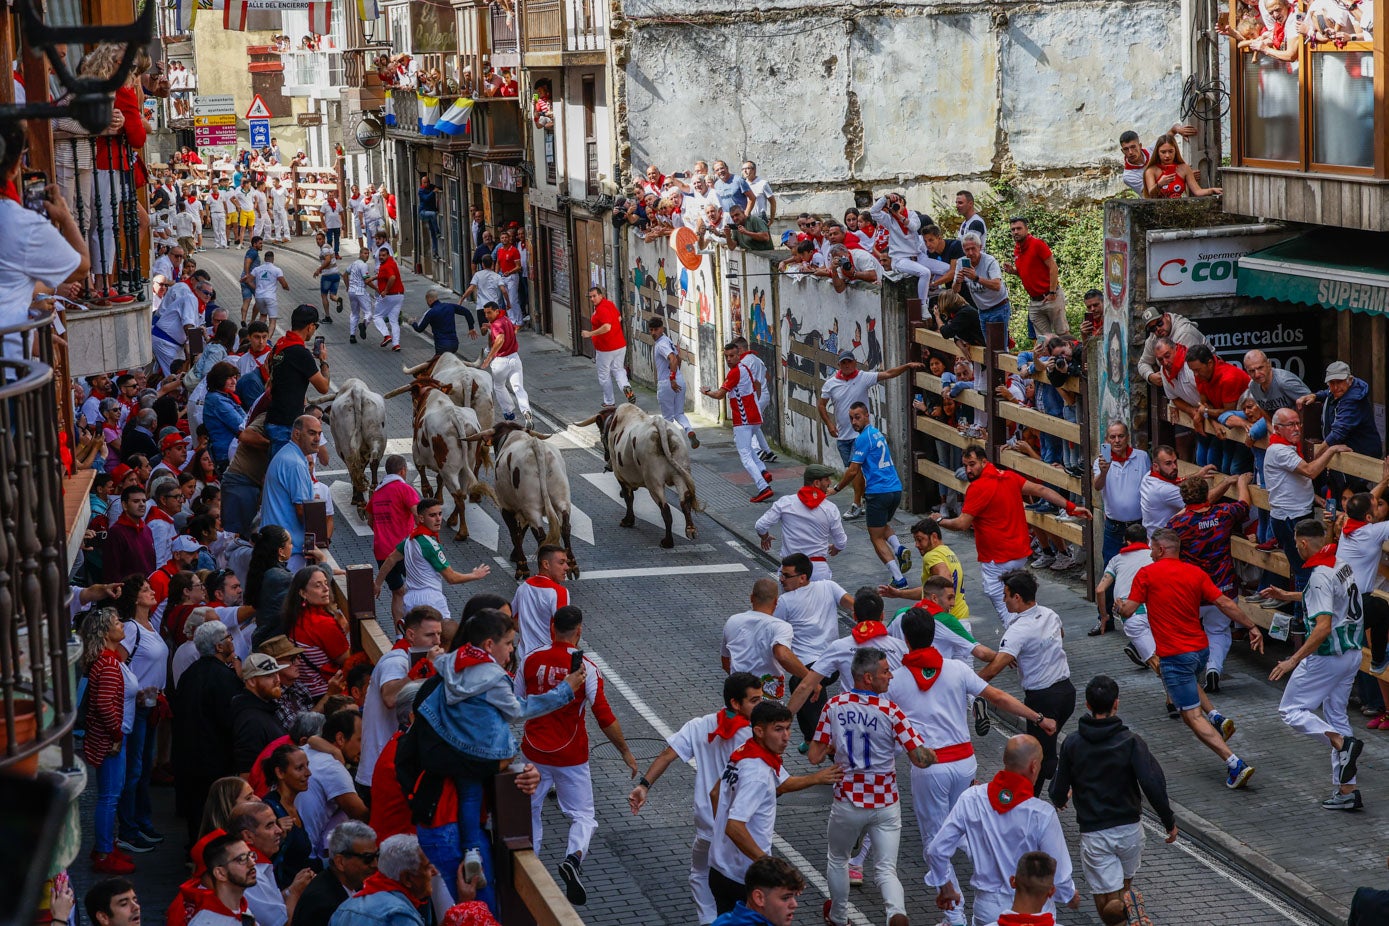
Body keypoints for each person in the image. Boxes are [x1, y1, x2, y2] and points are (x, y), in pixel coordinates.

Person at [888, 608, 1049, 926]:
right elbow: (999, 697)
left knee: (935, 839)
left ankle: (954, 913)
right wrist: (1038, 718)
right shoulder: (957, 669)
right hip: (963, 763)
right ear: (934, 634)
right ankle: (1001, 881)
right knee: (964, 827)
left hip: (930, 767)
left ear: (905, 639)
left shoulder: (894, 680)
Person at [1116, 528, 1263, 788]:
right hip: (1200, 651)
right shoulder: (1195, 573)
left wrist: (1119, 605)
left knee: (1191, 717)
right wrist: (1251, 626)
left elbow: (1129, 610)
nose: (1149, 553)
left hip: (1174, 655)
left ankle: (1235, 763)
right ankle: (1216, 717)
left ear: (1161, 550)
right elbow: (1225, 604)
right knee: (1188, 684)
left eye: (1152, 548)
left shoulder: (1147, 574)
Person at [521, 605, 639, 905]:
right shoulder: (586, 668)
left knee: (529, 810)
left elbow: (518, 701)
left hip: (533, 750)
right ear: (579, 630)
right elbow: (603, 715)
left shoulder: (530, 659)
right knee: (583, 816)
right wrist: (625, 751)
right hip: (571, 755)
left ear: (552, 627)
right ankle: (572, 859)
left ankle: (529, 868)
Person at [628, 673, 765, 925]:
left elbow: (667, 755)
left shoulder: (699, 725)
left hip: (705, 825)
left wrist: (644, 785)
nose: (761, 705)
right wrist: (817, 778)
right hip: (737, 826)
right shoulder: (755, 736)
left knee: (699, 874)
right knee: (747, 884)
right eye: (755, 700)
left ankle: (707, 919)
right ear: (736, 703)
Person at [810, 648, 933, 926]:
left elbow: (814, 755)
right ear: (868, 678)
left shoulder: (834, 706)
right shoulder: (891, 711)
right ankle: (895, 913)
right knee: (886, 869)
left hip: (847, 800)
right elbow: (919, 757)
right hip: (886, 802)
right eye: (886, 672)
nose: (890, 676)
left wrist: (836, 747)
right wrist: (933, 754)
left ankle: (839, 918)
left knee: (838, 859)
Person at [1051, 675, 1177, 925]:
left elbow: (1057, 788)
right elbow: (1152, 783)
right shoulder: (1131, 742)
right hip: (1130, 830)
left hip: (1095, 833)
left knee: (1106, 905)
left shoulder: (1072, 743)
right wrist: (1168, 821)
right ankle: (1131, 910)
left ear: (1087, 704)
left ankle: (1128, 914)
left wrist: (1061, 796)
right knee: (1123, 891)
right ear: (1116, 704)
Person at [1263, 518, 1366, 811]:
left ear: (1304, 543)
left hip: (1326, 656)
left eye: (1296, 543)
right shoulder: (1340, 561)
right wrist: (1289, 595)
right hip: (1351, 654)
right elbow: (1330, 599)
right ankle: (1347, 790)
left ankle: (1340, 743)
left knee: (1291, 710)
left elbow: (1322, 626)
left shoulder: (1319, 574)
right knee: (1336, 714)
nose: (1296, 548)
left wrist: (1293, 660)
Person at [927, 735, 1078, 926]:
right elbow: (1059, 872)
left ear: (1005, 760)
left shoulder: (971, 798)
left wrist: (945, 885)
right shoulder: (1042, 814)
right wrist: (1069, 895)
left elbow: (936, 850)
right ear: (1034, 766)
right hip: (1035, 909)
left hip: (987, 909)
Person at [707, 700, 840, 915]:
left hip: (719, 866)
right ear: (759, 730)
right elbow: (734, 826)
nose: (786, 736)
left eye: (788, 728)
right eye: (778, 729)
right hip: (746, 876)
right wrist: (770, 866)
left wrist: (815, 778)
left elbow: (715, 794)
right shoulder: (758, 774)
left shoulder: (745, 752)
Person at [934, 446, 1092, 625]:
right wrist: (1071, 507)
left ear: (984, 462)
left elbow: (961, 524)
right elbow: (1040, 490)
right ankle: (1040, 628)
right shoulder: (1008, 476)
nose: (969, 470)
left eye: (972, 464)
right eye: (965, 465)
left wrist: (939, 520)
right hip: (1019, 555)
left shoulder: (977, 488)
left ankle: (1021, 640)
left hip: (996, 558)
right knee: (1020, 599)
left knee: (1006, 609)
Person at [977, 570, 1075, 795]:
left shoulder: (1018, 631)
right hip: (1067, 693)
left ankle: (1037, 797)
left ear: (1017, 597)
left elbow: (994, 669)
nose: (1003, 600)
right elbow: (1060, 634)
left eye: (1006, 595)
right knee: (1044, 749)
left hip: (1042, 699)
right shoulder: (1050, 614)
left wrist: (967, 682)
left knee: (1038, 756)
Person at [0, 119, 88, 361]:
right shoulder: (23, 223)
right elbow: (82, 266)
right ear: (16, 166)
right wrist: (65, 217)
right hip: (9, 369)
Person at [1166, 472, 1252, 692]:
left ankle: (1192, 671)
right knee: (1219, 632)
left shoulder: (1177, 524)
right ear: (1207, 494)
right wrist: (1241, 482)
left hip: (1192, 591)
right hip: (1223, 587)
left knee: (1189, 632)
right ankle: (1214, 669)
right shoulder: (1223, 513)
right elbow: (1244, 505)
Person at [817, 351, 922, 520]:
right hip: (843, 436)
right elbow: (821, 405)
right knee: (857, 471)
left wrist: (907, 366)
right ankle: (866, 500)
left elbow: (888, 373)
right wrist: (829, 424)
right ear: (839, 365)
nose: (847, 366)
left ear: (855, 363)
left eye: (849, 362)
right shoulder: (830, 384)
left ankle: (857, 503)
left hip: (860, 435)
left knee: (856, 471)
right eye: (843, 363)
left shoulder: (863, 377)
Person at [1263, 408, 1349, 609]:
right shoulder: (1280, 450)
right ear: (1277, 428)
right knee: (1305, 573)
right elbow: (1310, 471)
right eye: (1290, 425)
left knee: (1306, 571)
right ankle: (1303, 624)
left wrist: (1314, 497)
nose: (1296, 428)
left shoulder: (1287, 447)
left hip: (1293, 515)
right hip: (1291, 519)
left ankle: (1302, 624)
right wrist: (1331, 450)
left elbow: (1293, 482)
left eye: (1298, 423)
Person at [172, 619, 243, 843]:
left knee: (197, 813)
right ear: (219, 647)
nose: (231, 641)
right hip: (214, 757)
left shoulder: (190, 674)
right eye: (228, 638)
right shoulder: (224, 677)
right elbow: (229, 718)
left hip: (188, 755)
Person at [771, 553, 854, 743]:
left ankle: (821, 742)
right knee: (805, 686)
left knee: (801, 684)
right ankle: (812, 738)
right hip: (832, 666)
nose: (782, 580)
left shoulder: (785, 601)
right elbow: (852, 604)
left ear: (802, 577)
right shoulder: (829, 586)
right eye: (781, 575)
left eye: (786, 576)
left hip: (811, 666)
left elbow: (772, 627)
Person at [359, 605, 444, 791]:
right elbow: (390, 698)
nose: (437, 641)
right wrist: (421, 668)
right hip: (379, 768)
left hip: (395, 763)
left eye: (439, 634)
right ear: (411, 635)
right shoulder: (395, 661)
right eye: (430, 635)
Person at [372, 498, 491, 623]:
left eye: (440, 514)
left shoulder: (410, 540)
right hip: (431, 600)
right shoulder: (430, 545)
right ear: (421, 518)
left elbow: (390, 559)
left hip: (410, 600)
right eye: (432, 515)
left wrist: (378, 583)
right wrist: (475, 575)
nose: (438, 519)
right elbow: (451, 578)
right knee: (444, 636)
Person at [82, 608, 138, 874]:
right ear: (105, 632)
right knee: (109, 797)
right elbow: (104, 704)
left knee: (110, 795)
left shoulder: (109, 660)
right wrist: (116, 735)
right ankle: (104, 852)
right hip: (111, 740)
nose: (121, 625)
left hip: (114, 736)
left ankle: (106, 845)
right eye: (116, 622)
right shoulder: (107, 663)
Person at [829, 402, 910, 586]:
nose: (854, 422)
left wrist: (836, 489)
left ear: (867, 415)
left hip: (878, 492)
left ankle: (899, 578)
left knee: (875, 537)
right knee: (881, 525)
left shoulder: (863, 438)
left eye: (857, 417)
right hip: (894, 489)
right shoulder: (877, 434)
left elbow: (852, 470)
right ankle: (899, 548)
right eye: (851, 418)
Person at [701, 341, 775, 503]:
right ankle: (763, 471)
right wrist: (753, 401)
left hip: (743, 418)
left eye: (732, 356)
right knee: (748, 448)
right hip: (754, 416)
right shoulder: (745, 368)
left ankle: (763, 487)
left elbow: (720, 394)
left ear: (738, 356)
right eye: (726, 356)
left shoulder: (734, 372)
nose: (728, 359)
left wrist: (706, 392)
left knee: (745, 455)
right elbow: (757, 384)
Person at [1091, 422, 1150, 622]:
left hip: (1139, 525)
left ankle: (1144, 615)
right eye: (1112, 437)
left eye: (1121, 436)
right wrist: (1104, 471)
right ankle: (1104, 617)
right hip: (1115, 527)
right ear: (1106, 440)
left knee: (1144, 570)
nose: (1117, 441)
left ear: (1127, 438)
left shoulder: (1141, 457)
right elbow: (1097, 487)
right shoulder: (1100, 462)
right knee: (1109, 568)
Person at [721, 579, 810, 702]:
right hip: (767, 702)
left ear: (751, 598)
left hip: (738, 697)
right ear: (776, 602)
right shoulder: (781, 626)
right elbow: (783, 655)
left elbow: (725, 661)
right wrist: (811, 680)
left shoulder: (732, 621)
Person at [754, 464, 847, 580]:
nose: (830, 482)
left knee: (788, 599)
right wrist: (836, 547)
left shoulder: (785, 502)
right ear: (816, 483)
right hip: (817, 570)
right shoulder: (830, 509)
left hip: (790, 570)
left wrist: (765, 537)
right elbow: (841, 542)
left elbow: (760, 526)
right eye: (827, 479)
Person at [299, 709, 369, 860]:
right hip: (308, 858)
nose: (364, 748)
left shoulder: (306, 750)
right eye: (360, 740)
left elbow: (313, 739)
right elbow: (362, 815)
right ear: (340, 738)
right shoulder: (332, 767)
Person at [233, 801, 315, 926]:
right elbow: (284, 923)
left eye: (276, 823)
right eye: (269, 826)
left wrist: (291, 889)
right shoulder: (251, 873)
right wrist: (295, 892)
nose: (279, 830)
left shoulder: (256, 866)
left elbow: (271, 903)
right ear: (248, 836)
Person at [266, 305, 331, 455]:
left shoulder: (280, 345)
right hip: (286, 424)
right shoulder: (301, 353)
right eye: (315, 326)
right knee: (284, 472)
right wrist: (323, 362)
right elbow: (323, 387)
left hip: (274, 417)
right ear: (310, 326)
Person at [879, 518, 970, 623]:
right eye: (915, 540)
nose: (916, 545)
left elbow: (944, 581)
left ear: (934, 537)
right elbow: (930, 591)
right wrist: (899, 593)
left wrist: (943, 615)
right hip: (963, 617)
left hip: (948, 623)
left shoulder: (931, 556)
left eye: (920, 539)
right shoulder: (949, 553)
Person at [292, 821, 379, 926]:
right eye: (368, 858)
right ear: (340, 862)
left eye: (377, 856)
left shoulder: (351, 884)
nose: (375, 864)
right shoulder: (323, 906)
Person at [263, 415, 321, 570]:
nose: (317, 439)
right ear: (296, 434)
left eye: (319, 433)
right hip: (289, 554)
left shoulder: (290, 456)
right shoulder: (295, 464)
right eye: (312, 433)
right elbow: (302, 510)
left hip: (280, 548)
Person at [1301, 360, 1384, 460]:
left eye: (1340, 381)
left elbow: (1338, 433)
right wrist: (1316, 396)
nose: (1336, 387)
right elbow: (1328, 392)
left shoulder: (1354, 399)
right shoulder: (1340, 390)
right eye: (1332, 382)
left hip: (1362, 455)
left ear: (1350, 380)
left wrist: (1314, 458)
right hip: (1345, 454)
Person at [1002, 217, 1067, 338]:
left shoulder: (1037, 244)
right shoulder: (1017, 249)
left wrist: (1052, 292)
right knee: (1044, 340)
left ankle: (1071, 356)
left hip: (1051, 296)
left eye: (1019, 228)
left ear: (1026, 229)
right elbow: (1028, 272)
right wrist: (1014, 271)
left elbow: (1053, 267)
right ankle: (1050, 357)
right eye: (1013, 229)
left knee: (1062, 333)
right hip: (1034, 301)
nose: (1015, 232)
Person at [232, 651, 291, 775]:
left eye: (277, 673)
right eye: (269, 675)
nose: (277, 680)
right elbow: (247, 774)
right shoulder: (250, 721)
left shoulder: (266, 707)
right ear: (251, 682)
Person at [511, 543, 572, 658]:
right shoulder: (560, 592)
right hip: (549, 658)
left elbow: (513, 621)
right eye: (561, 562)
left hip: (525, 658)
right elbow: (566, 631)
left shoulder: (523, 587)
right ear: (546, 564)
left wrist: (530, 632)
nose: (567, 567)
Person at [479, 301, 532, 425]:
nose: (487, 315)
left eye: (489, 313)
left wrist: (488, 359)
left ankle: (509, 414)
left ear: (497, 311)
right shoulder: (505, 319)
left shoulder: (497, 324)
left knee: (499, 386)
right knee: (518, 387)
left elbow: (500, 339)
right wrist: (490, 327)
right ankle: (526, 411)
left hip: (501, 361)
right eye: (485, 313)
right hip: (515, 358)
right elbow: (514, 330)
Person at [581, 286, 636, 406]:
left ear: (601, 295)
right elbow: (619, 318)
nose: (592, 299)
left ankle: (609, 401)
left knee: (604, 375)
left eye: (594, 296)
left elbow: (607, 327)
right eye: (590, 297)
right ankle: (626, 388)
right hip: (620, 345)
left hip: (605, 348)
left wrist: (590, 333)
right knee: (618, 370)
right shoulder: (609, 304)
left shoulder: (601, 310)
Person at [711, 855, 802, 926]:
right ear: (759, 898)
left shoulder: (723, 920)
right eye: (785, 898)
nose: (794, 904)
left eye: (793, 896)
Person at [649, 316, 698, 446]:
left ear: (662, 329)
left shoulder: (661, 345)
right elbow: (678, 358)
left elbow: (673, 359)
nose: (653, 333)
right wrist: (676, 376)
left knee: (668, 419)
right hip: (679, 379)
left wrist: (671, 379)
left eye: (656, 329)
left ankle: (671, 445)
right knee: (679, 413)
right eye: (651, 330)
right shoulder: (668, 340)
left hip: (667, 383)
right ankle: (689, 431)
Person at [195, 833, 260, 926]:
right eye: (242, 859)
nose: (252, 863)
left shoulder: (242, 911)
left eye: (250, 855)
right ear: (220, 873)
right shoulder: (206, 923)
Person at [1142, 134, 1222, 198]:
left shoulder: (1184, 168)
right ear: (1157, 153)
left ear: (1175, 151)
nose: (1167, 155)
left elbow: (1197, 191)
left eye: (1170, 151)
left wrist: (1212, 190)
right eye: (1163, 152)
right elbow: (1151, 194)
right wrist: (1159, 184)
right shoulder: (1151, 170)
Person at [104, 485, 155, 582]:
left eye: (144, 501)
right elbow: (112, 572)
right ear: (125, 505)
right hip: (128, 593)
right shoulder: (116, 532)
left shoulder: (147, 530)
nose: (142, 504)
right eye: (136, 501)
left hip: (147, 590)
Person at [411, 288, 478, 357]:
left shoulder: (430, 312)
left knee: (434, 366)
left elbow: (419, 329)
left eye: (427, 301)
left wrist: (413, 323)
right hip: (454, 345)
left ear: (429, 300)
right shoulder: (449, 306)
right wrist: (471, 328)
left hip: (442, 347)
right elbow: (467, 312)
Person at [369, 245, 406, 350]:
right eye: (380, 255)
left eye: (383, 255)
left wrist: (386, 290)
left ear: (388, 255)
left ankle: (386, 335)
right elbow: (385, 275)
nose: (381, 257)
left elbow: (392, 277)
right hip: (399, 295)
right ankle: (396, 344)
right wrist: (374, 277)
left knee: (377, 316)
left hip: (389, 296)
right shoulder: (390, 262)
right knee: (393, 320)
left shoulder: (386, 266)